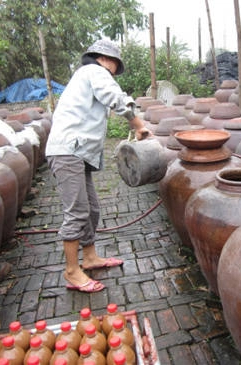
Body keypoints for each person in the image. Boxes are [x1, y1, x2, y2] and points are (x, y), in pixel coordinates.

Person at [45, 39, 151, 293]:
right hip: (68, 151)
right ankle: (72, 272)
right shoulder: (94, 72)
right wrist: (138, 125)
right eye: (115, 64)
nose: (115, 71)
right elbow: (116, 97)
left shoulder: (86, 76)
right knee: (77, 211)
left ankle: (90, 258)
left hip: (79, 153)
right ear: (105, 59)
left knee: (91, 209)